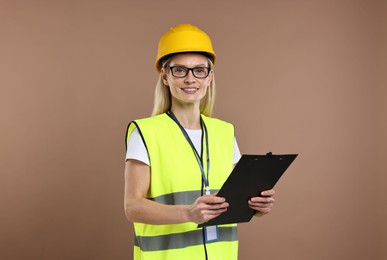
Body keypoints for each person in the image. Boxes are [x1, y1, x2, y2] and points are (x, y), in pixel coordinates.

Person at [124, 23, 275, 260]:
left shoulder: (225, 133)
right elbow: (132, 207)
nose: (190, 79)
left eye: (199, 70)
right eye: (180, 70)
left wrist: (257, 207)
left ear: (209, 76)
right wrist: (188, 213)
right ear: (165, 76)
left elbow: (235, 200)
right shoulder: (145, 133)